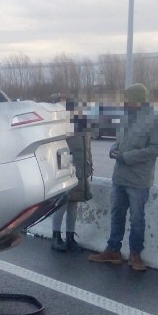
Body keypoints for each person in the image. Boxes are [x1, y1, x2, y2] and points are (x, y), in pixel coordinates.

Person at [88, 83, 158, 271]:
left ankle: (135, 254)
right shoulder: (124, 118)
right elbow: (119, 142)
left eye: (129, 100)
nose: (125, 103)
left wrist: (128, 157)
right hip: (119, 177)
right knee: (116, 214)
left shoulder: (155, 119)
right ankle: (113, 250)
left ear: (139, 101)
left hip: (139, 180)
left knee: (137, 218)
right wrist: (114, 150)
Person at [50, 97, 93, 252]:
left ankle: (70, 237)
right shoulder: (62, 126)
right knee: (62, 204)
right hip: (67, 170)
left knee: (74, 205)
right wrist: (66, 170)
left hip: (80, 170)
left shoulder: (84, 126)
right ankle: (56, 237)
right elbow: (59, 149)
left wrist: (89, 165)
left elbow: (88, 148)